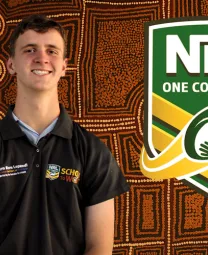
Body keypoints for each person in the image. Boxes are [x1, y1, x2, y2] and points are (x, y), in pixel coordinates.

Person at [1, 14, 129, 254]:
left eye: (52, 51)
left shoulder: (92, 151)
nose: (42, 58)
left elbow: (99, 248)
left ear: (64, 67)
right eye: (30, 50)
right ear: (11, 65)